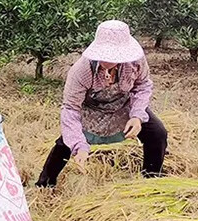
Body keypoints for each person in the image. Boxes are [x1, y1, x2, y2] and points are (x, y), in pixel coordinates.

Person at [35, 20, 168, 187]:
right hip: (92, 110)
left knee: (157, 133)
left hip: (123, 105)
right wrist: (79, 145)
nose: (108, 59)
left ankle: (152, 179)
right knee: (66, 143)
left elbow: (143, 85)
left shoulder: (135, 62)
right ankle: (45, 184)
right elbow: (70, 109)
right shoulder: (81, 70)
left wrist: (137, 116)